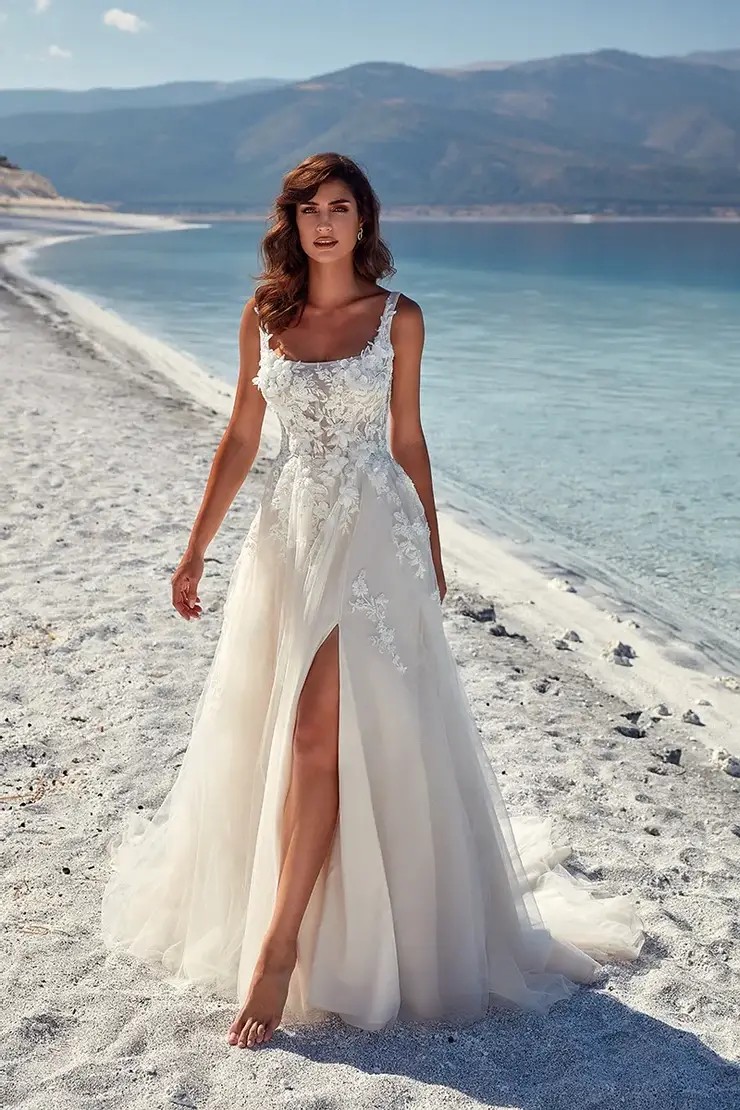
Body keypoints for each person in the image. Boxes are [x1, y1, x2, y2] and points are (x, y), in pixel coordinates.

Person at [100, 151, 644, 1051]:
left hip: (373, 540)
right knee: (298, 736)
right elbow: (242, 434)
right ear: (292, 220)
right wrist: (195, 549)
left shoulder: (400, 318)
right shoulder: (266, 315)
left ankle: (277, 950)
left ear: (364, 221)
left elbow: (408, 436)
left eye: (341, 207)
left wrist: (429, 542)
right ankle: (305, 925)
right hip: (289, 535)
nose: (325, 222)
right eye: (310, 207)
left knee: (328, 731)